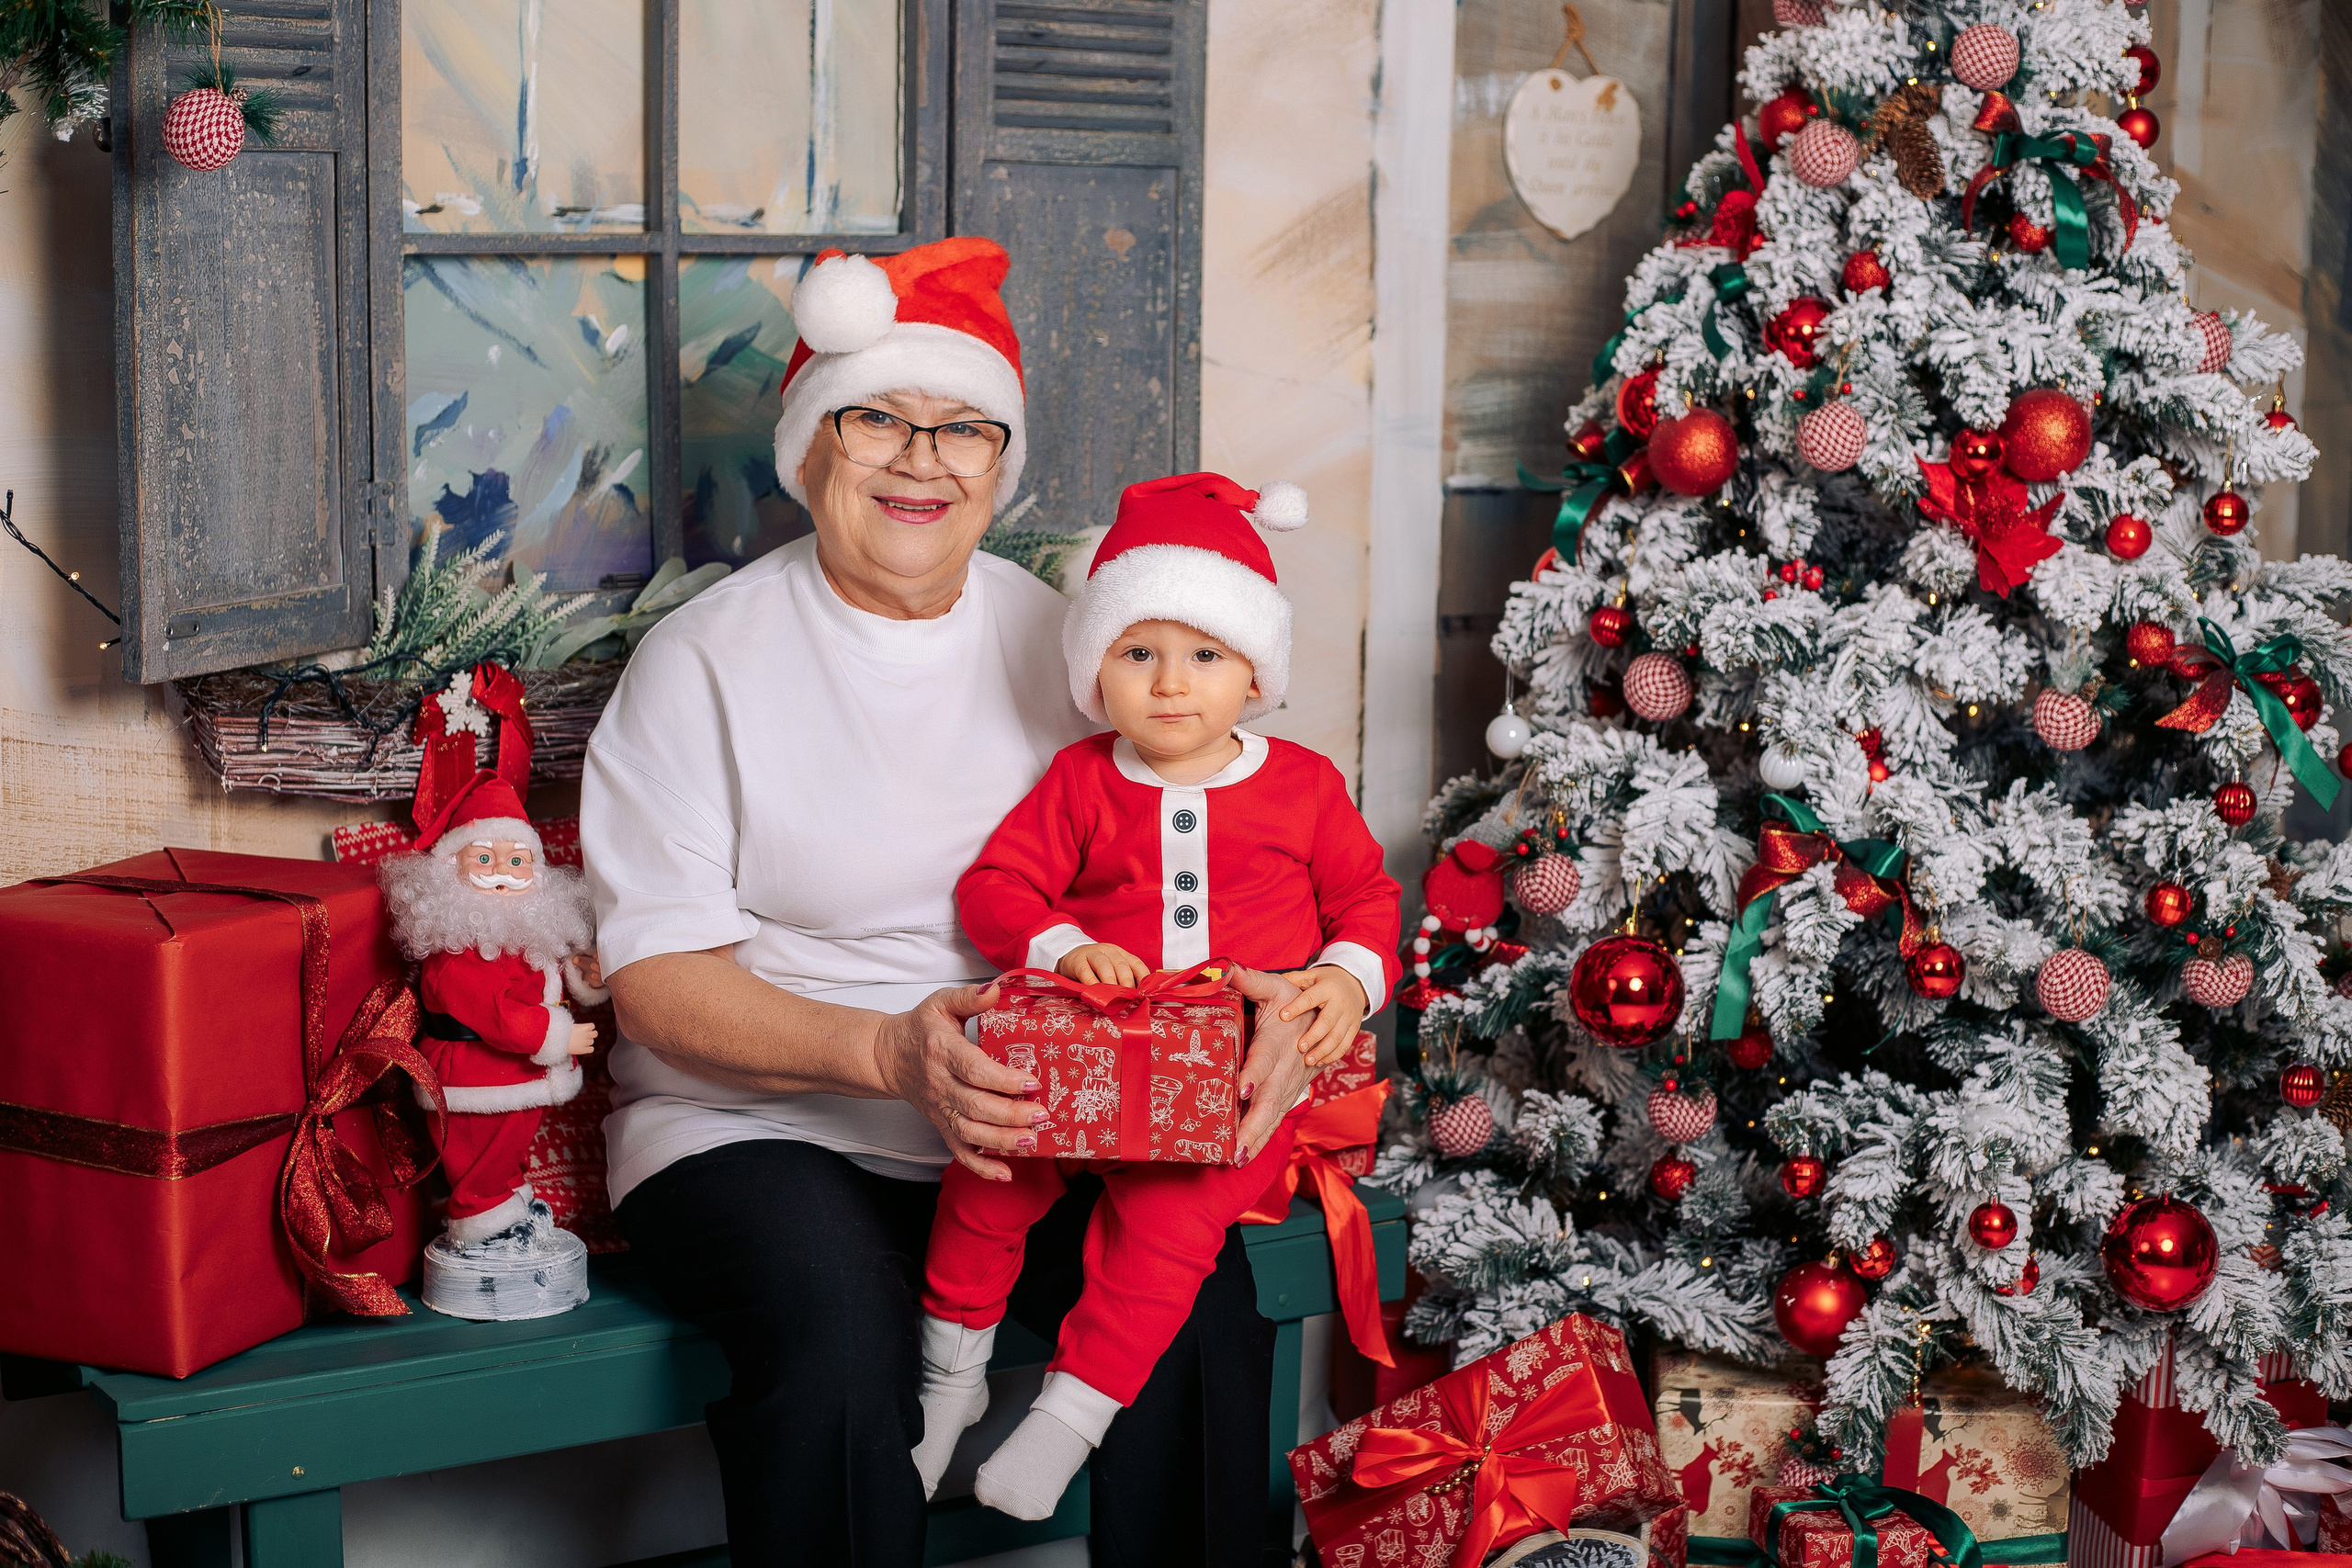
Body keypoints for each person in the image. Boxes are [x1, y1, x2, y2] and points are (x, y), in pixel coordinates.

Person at [580, 237, 1319, 1567]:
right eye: (879, 419)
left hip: (1050, 1114)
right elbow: (656, 978)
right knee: (838, 1343)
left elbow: (1207, 857)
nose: (923, 460)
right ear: (813, 448)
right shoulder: (702, 662)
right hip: (758, 1119)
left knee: (1204, 1312)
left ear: (999, 462)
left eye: (964, 429)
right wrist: (881, 1050)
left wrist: (1286, 1001)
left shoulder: (1078, 643)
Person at [916, 472, 1403, 1518]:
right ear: (1097, 668)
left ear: (1254, 673)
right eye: (1137, 653)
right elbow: (995, 886)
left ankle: (1066, 1422)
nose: (1169, 685)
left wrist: (1343, 982)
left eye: (1204, 655)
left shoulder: (1303, 786)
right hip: (1085, 1060)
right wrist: (1064, 943)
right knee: (987, 1177)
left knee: (1168, 1232)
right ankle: (944, 1385)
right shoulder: (1084, 779)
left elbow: (1366, 899)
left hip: (1225, 1082)